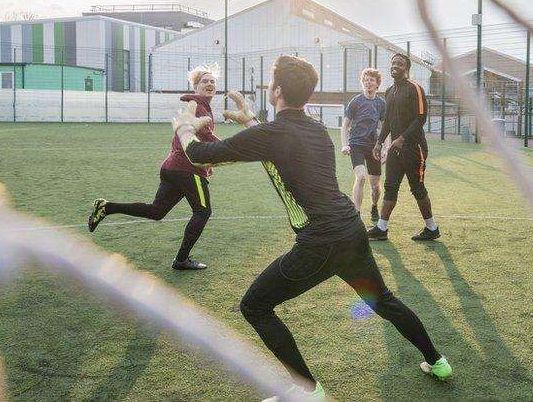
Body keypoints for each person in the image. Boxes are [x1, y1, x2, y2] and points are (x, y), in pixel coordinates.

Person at [173, 55, 452, 401]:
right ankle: (437, 361)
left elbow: (200, 154)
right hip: (350, 232)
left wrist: (184, 126)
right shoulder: (315, 129)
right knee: (383, 300)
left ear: (276, 90)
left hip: (320, 243)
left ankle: (308, 390)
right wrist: (250, 121)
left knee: (254, 306)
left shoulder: (274, 133)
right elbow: (276, 144)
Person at [88, 65, 221, 271]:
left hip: (172, 168)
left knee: (156, 211)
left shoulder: (199, 106)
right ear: (195, 86)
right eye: (205, 81)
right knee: (203, 212)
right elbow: (206, 138)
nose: (210, 84)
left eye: (213, 81)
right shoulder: (197, 106)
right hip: (187, 170)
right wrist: (235, 148)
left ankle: (106, 207)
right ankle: (181, 260)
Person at [366, 54, 440, 242]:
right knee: (390, 187)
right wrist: (380, 141)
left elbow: (421, 118)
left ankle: (432, 228)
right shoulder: (390, 91)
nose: (395, 66)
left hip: (414, 148)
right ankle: (382, 228)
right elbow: (389, 121)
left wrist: (402, 138)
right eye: (393, 63)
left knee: (417, 188)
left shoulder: (415, 88)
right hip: (395, 149)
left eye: (399, 64)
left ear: (406, 68)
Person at [341, 68, 387, 226]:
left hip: (374, 147)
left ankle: (374, 207)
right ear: (363, 83)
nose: (368, 82)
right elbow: (345, 124)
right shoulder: (356, 101)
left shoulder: (381, 104)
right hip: (356, 145)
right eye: (366, 80)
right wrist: (344, 145)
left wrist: (385, 148)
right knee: (360, 177)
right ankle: (356, 214)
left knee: (375, 186)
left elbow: (386, 128)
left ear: (377, 84)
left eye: (371, 80)